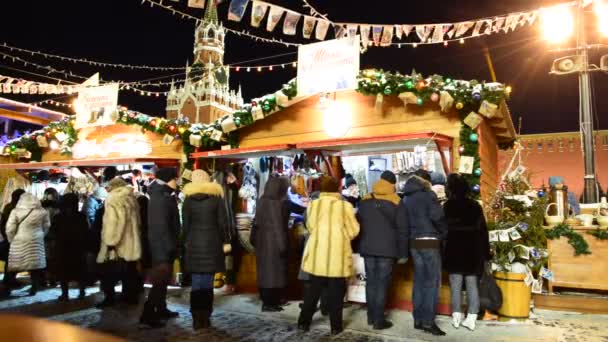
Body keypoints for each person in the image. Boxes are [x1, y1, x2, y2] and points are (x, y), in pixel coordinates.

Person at [298, 176, 360, 336]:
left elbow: (310, 226)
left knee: (312, 292)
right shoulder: (345, 206)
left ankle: (303, 323)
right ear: (338, 189)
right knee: (336, 294)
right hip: (337, 256)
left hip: (317, 254)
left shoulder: (314, 205)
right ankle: (335, 327)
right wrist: (341, 234)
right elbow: (354, 230)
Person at [357, 171, 409, 330]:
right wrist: (403, 253)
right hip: (387, 250)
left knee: (371, 282)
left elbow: (359, 223)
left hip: (367, 247)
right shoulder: (396, 201)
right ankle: (379, 320)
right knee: (381, 284)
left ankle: (371, 317)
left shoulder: (365, 199)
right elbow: (403, 229)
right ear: (393, 184)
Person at [402, 170, 448, 336]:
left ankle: (418, 319)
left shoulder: (406, 197)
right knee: (432, 283)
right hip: (429, 241)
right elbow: (438, 217)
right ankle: (428, 322)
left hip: (414, 243)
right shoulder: (428, 195)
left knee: (419, 280)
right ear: (426, 181)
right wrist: (444, 233)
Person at [181, 170, 228, 329]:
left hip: (194, 244)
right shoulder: (216, 199)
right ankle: (205, 317)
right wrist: (225, 240)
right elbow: (222, 223)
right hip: (212, 244)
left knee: (196, 283)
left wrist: (186, 241)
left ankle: (196, 317)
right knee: (208, 283)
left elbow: (185, 226)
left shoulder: (188, 201)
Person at [444, 174, 490, 331]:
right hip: (473, 251)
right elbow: (483, 231)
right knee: (472, 285)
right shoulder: (475, 206)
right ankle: (471, 318)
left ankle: (456, 317)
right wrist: (486, 252)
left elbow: (443, 231)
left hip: (454, 251)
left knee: (455, 285)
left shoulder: (447, 206)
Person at [252, 176, 305, 312]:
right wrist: (282, 245)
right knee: (274, 274)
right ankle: (270, 304)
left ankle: (268, 300)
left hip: (261, 242)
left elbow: (256, 223)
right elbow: (278, 226)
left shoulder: (261, 201)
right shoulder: (280, 203)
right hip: (275, 243)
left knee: (265, 272)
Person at [140, 167, 181, 328]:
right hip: (162, 246)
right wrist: (170, 246)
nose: (177, 181)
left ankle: (161, 308)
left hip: (164, 244)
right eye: (175, 178)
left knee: (162, 281)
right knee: (159, 281)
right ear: (167, 179)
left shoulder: (163, 195)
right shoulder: (161, 198)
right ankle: (148, 314)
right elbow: (161, 226)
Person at [96, 178, 142, 308]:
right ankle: (129, 297)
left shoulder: (113, 198)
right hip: (131, 241)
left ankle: (109, 299)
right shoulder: (131, 198)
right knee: (129, 272)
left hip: (118, 243)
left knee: (109, 272)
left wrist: (111, 242)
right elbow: (138, 221)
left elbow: (114, 223)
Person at [5, 193, 51, 296]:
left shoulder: (15, 211)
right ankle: (34, 288)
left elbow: (10, 228)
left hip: (19, 240)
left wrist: (11, 239)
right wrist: (41, 235)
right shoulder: (42, 212)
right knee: (34, 267)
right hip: (36, 241)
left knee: (14, 266)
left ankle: (7, 288)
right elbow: (47, 226)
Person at [51, 193, 88, 301]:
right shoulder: (81, 216)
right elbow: (86, 231)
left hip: (63, 248)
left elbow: (53, 232)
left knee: (63, 272)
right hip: (78, 248)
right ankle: (82, 292)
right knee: (80, 270)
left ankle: (65, 294)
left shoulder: (58, 217)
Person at [0, 189, 26, 292]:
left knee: (10, 260)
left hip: (10, 238)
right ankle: (9, 281)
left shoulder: (8, 207)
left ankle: (9, 279)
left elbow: (2, 225)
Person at [41, 187, 60, 288]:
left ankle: (47, 279)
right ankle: (51, 279)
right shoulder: (58, 208)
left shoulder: (42, 208)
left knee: (48, 259)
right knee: (51, 259)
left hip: (46, 236)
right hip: (52, 236)